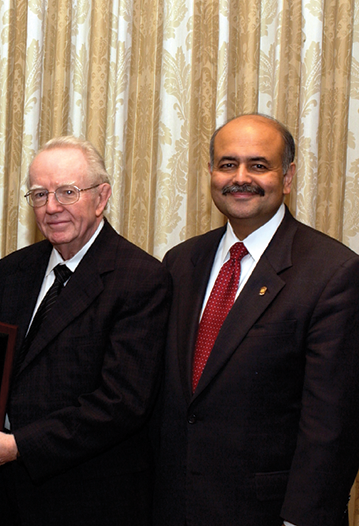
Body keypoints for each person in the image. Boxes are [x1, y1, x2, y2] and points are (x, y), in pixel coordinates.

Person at [0, 136, 171, 525]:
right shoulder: (11, 271)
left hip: (87, 500)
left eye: (67, 192)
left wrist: (18, 446)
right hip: (2, 498)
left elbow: (121, 403)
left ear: (101, 197)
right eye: (39, 194)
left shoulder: (142, 278)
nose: (51, 207)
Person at [152, 114, 359, 525]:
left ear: (287, 177)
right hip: (174, 506)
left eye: (258, 165)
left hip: (267, 512)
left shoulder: (333, 273)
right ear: (211, 172)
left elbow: (332, 424)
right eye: (228, 164)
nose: (240, 177)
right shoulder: (180, 262)